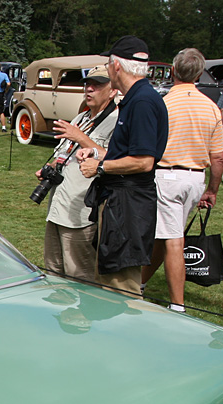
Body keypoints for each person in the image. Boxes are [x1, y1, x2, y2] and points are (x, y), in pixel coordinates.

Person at [79, 35, 169, 297]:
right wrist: (96, 153)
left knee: (120, 286)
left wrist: (100, 168)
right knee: (109, 277)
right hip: (122, 202)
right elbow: (128, 152)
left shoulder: (141, 102)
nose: (108, 70)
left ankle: (127, 335)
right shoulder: (135, 99)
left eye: (108, 65)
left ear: (116, 66)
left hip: (128, 206)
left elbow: (143, 161)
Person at [141, 48, 223, 312]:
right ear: (199, 74)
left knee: (173, 239)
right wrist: (212, 189)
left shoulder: (163, 103)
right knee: (165, 235)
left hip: (166, 174)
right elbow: (218, 157)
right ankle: (139, 284)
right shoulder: (211, 108)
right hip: (195, 178)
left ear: (173, 71)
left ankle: (177, 304)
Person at [38, 65, 119, 282]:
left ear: (112, 91)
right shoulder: (80, 118)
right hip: (58, 206)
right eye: (87, 85)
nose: (89, 89)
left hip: (82, 211)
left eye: (97, 85)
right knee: (53, 269)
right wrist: (51, 167)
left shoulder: (117, 121)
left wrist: (80, 137)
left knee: (79, 274)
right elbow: (63, 154)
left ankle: (82, 316)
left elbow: (114, 158)